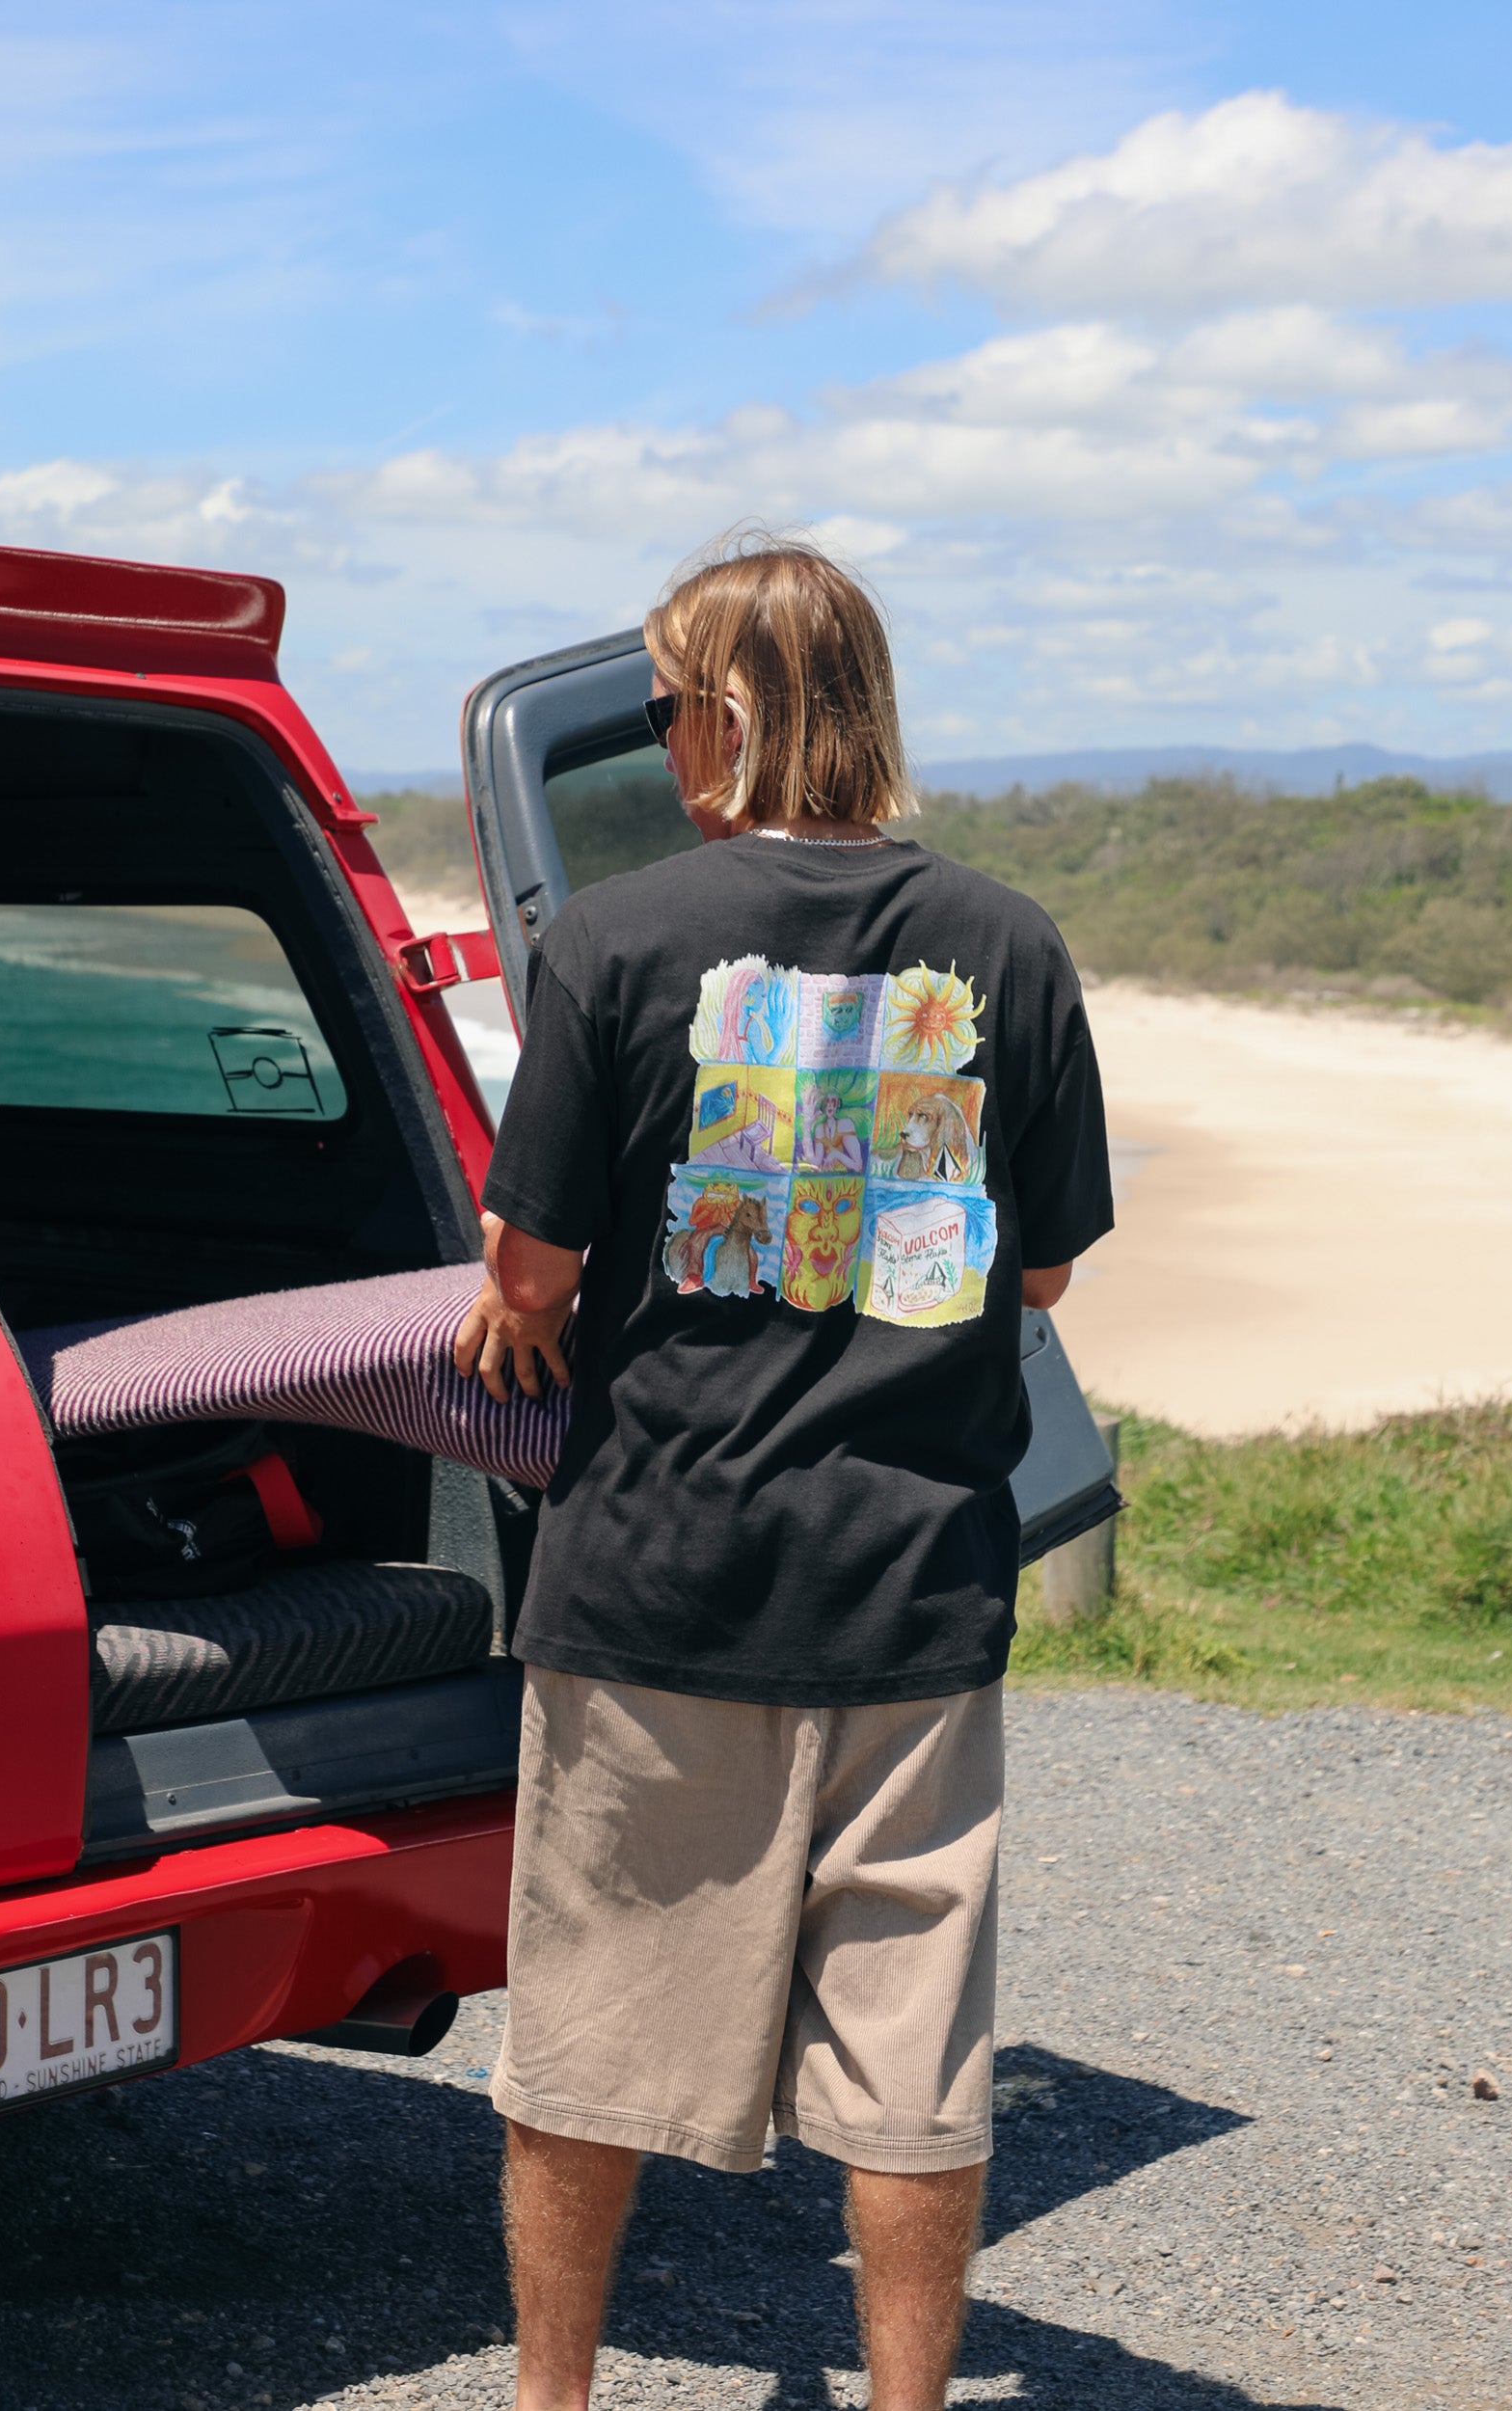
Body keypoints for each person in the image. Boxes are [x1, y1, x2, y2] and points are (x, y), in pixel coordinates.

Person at [454, 531, 1113, 2411]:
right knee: (915, 2055)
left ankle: (551, 2397)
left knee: (587, 2039)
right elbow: (1042, 1262)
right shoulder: (1006, 944)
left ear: (726, 717)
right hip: (912, 1587)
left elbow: (533, 1266)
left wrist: (515, 1321)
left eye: (669, 706)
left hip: (658, 1578)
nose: (662, 740)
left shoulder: (619, 939)